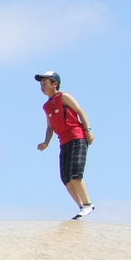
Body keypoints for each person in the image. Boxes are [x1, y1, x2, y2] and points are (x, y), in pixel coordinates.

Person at [35, 71, 96, 218]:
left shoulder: (64, 96)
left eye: (45, 83)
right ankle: (82, 207)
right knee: (66, 178)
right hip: (63, 141)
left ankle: (88, 204)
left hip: (77, 136)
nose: (42, 86)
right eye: (41, 84)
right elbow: (50, 126)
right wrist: (46, 142)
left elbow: (80, 111)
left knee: (75, 173)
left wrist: (88, 130)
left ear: (54, 84)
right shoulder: (46, 106)